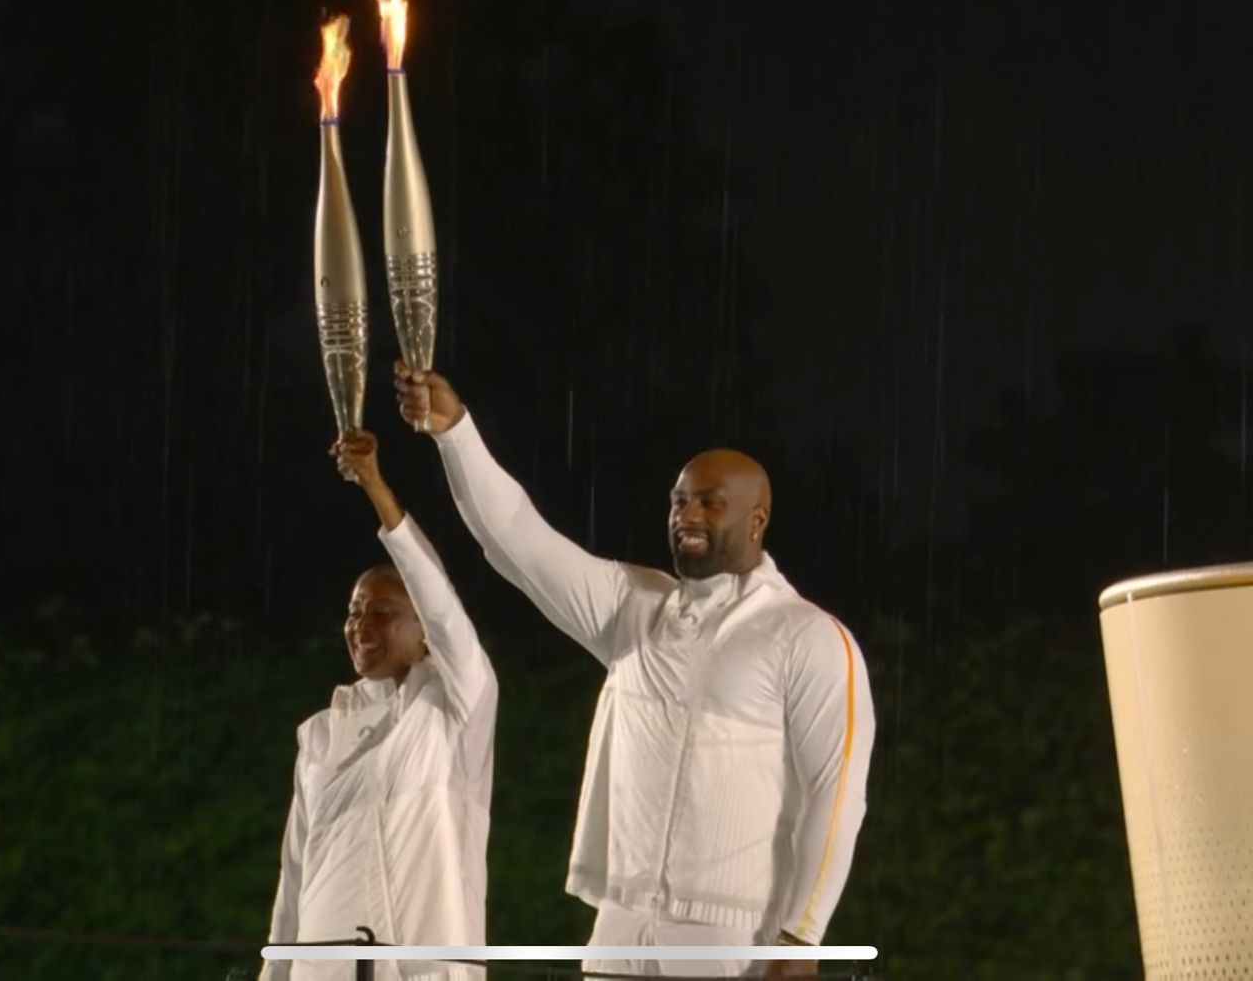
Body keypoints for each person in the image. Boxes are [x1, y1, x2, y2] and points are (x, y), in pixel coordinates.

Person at [394, 363, 874, 979]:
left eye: (710, 502)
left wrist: (800, 941)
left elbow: (836, 797)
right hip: (618, 931)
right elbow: (514, 538)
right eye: (678, 501)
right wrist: (454, 433)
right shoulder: (631, 608)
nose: (687, 515)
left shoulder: (808, 636)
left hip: (733, 941)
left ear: (757, 520)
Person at [262, 430, 497, 981]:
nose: (361, 626)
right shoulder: (319, 735)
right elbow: (294, 878)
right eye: (354, 611)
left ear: (424, 632)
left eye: (384, 612)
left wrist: (375, 488)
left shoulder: (456, 709)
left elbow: (443, 604)